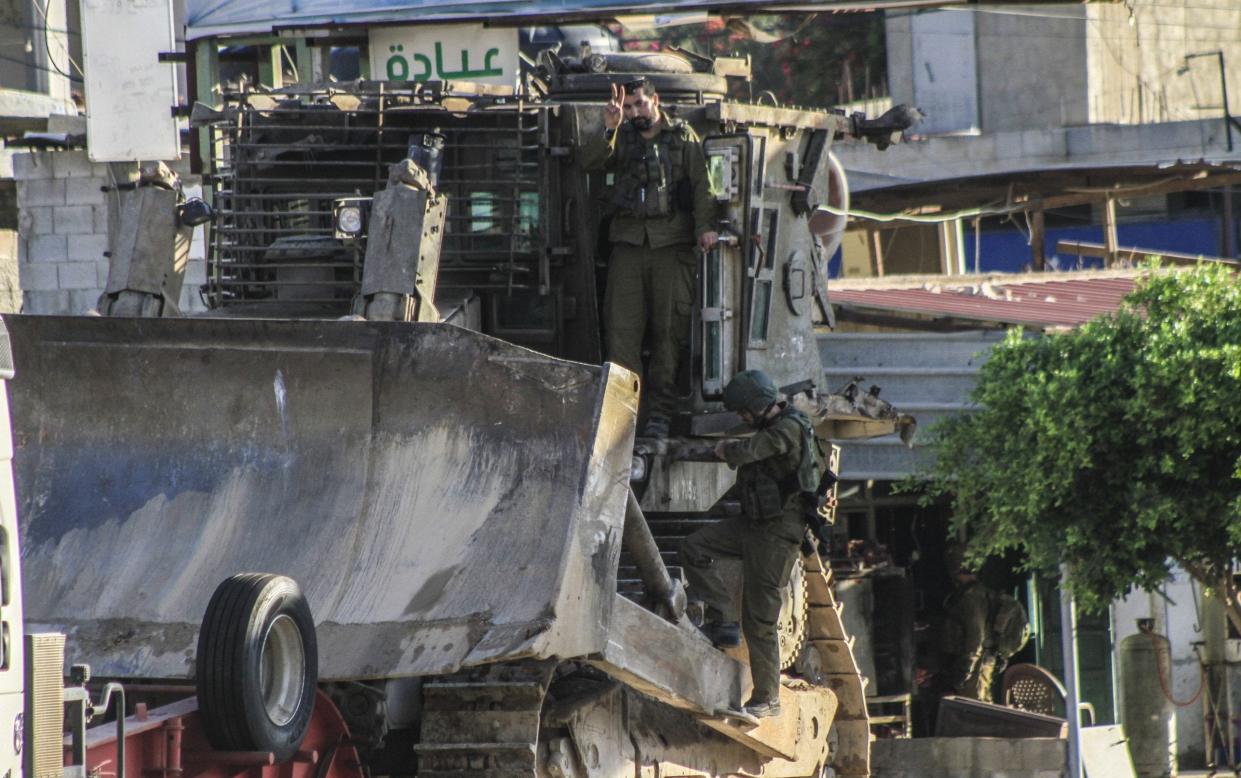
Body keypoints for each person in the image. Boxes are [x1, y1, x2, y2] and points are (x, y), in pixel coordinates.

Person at [578, 78, 718, 438]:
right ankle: (625, 417)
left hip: (671, 246)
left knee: (667, 333)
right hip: (628, 244)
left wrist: (705, 227)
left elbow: (703, 186)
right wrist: (608, 128)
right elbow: (589, 161)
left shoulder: (683, 137)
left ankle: (660, 414)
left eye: (639, 104)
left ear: (655, 101)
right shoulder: (620, 137)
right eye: (628, 107)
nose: (634, 112)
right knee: (622, 332)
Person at [678, 369, 821, 718]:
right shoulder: (772, 424)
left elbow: (752, 451)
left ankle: (767, 699)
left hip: (777, 534)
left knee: (759, 620)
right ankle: (723, 617)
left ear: (757, 405)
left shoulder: (789, 428)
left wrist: (726, 447)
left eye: (743, 411)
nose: (741, 417)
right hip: (753, 525)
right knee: (694, 546)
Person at [939, 545, 1000, 702]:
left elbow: (975, 639)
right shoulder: (979, 594)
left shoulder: (972, 598)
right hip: (977, 665)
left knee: (974, 710)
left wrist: (964, 673)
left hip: (975, 668)